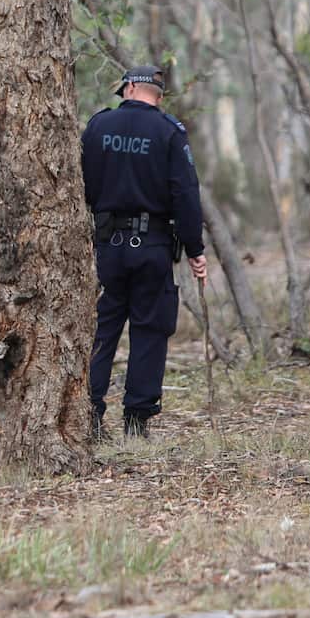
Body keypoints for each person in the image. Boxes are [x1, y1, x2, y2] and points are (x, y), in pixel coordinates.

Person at [80, 65, 208, 441]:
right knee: (150, 332)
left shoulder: (99, 127)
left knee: (101, 331)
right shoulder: (169, 132)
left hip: (105, 248)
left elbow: (82, 184)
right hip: (151, 247)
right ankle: (137, 423)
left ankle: (90, 414)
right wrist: (195, 249)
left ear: (131, 87)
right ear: (159, 96)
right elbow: (185, 195)